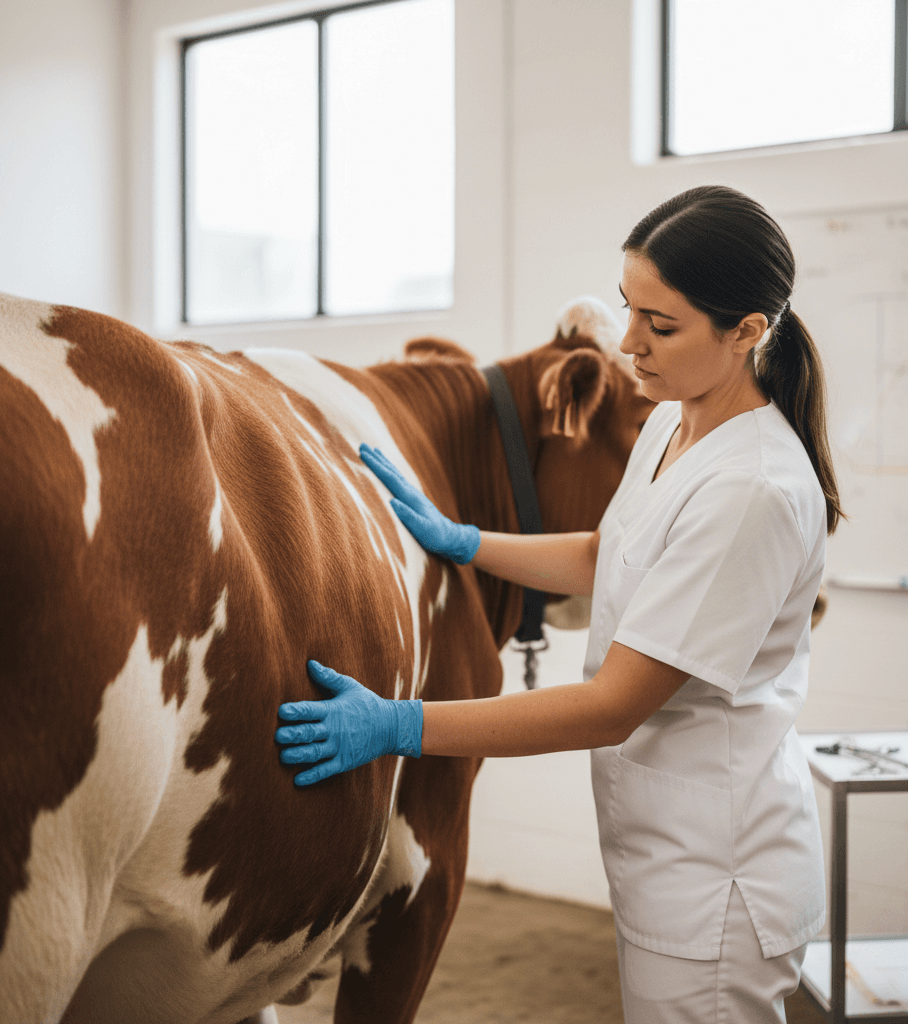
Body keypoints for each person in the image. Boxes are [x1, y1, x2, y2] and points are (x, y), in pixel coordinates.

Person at [274, 184, 844, 1023]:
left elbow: (612, 707)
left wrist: (401, 725)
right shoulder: (672, 421)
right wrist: (465, 540)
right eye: (630, 309)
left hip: (717, 879)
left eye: (661, 325)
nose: (630, 343)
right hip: (663, 859)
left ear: (747, 333)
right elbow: (602, 553)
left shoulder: (753, 489)